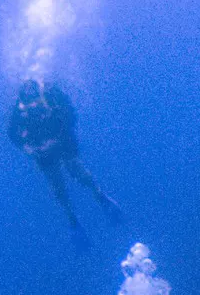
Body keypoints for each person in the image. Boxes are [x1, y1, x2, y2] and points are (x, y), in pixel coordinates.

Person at [8, 79, 122, 242]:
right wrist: (30, 149)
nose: (33, 106)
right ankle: (72, 218)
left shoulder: (52, 96)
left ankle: (100, 196)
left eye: (35, 101)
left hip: (63, 143)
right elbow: (12, 134)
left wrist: (57, 139)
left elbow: (71, 116)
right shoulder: (18, 109)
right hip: (42, 152)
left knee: (79, 172)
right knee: (57, 185)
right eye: (29, 103)